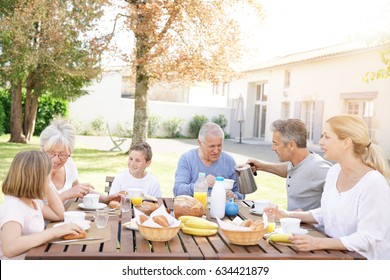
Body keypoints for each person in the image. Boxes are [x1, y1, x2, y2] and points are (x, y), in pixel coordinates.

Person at [265, 115, 390, 260]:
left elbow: (368, 238)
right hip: (335, 257)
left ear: (346, 142)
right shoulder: (334, 172)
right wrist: (288, 215)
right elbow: (326, 212)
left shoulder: (373, 182)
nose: (321, 141)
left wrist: (318, 243)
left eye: (327, 136)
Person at [0, 151, 84, 260]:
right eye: (49, 174)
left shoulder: (33, 202)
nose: (50, 179)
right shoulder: (14, 208)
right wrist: (53, 232)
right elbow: (10, 248)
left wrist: (46, 185)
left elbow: (59, 214)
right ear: (39, 178)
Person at [247, 119, 331, 211]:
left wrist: (309, 216)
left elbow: (339, 202)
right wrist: (261, 166)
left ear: (291, 145)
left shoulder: (318, 167)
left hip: (307, 225)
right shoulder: (296, 164)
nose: (272, 148)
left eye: (275, 144)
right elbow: (292, 171)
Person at [39, 118, 120, 204]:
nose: (55, 159)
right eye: (51, 153)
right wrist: (66, 194)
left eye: (62, 154)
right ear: (42, 149)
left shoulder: (69, 164)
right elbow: (37, 208)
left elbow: (77, 189)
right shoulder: (32, 170)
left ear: (70, 152)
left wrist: (106, 199)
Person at [174, 122, 243, 199]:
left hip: (221, 208)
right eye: (211, 146)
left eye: (219, 145)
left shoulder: (229, 161)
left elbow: (240, 193)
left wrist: (234, 196)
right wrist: (202, 185)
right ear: (200, 143)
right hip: (194, 208)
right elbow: (178, 191)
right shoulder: (187, 159)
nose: (216, 151)